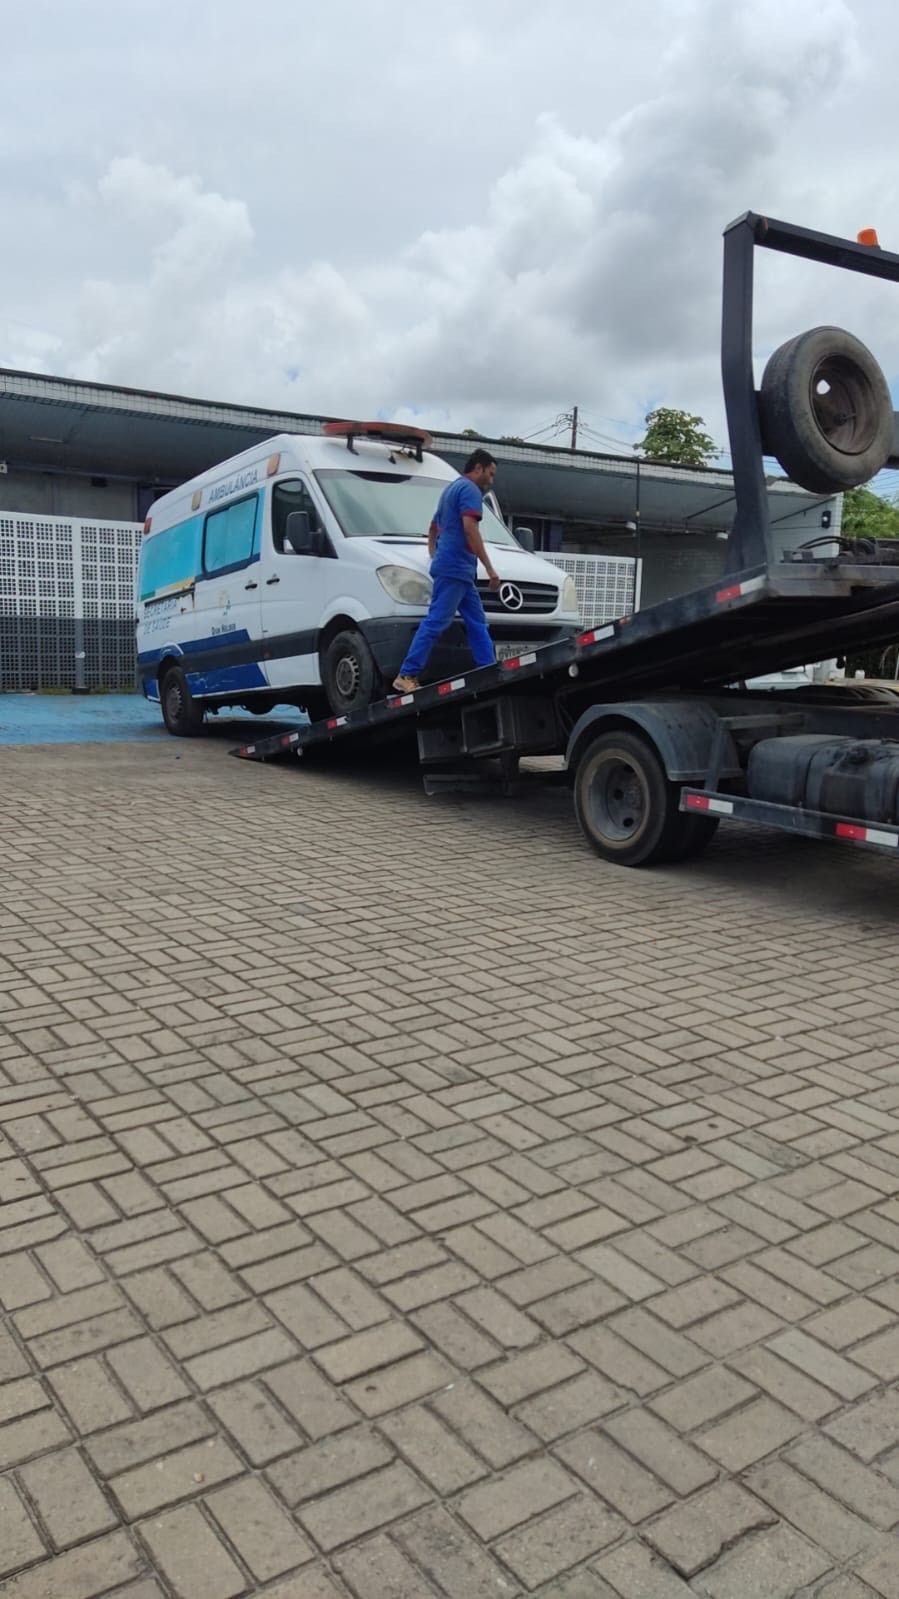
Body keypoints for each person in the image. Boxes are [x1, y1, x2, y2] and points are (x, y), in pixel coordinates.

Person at [392, 449, 502, 692]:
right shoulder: (470, 490)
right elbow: (470, 529)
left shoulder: (450, 490)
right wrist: (489, 568)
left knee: (477, 622)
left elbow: (433, 527)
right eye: (490, 474)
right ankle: (407, 674)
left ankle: (488, 669)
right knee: (436, 621)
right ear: (479, 468)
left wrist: (435, 555)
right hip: (456, 569)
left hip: (456, 569)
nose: (491, 480)